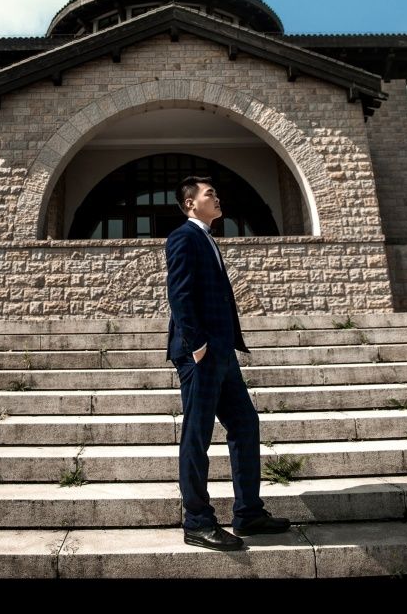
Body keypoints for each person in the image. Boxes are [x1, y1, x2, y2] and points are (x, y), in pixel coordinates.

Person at [165, 175, 291, 551]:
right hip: (201, 354)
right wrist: (197, 345)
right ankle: (197, 522)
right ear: (190, 203)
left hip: (222, 352)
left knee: (245, 425)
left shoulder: (207, 237)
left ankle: (248, 513)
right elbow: (180, 294)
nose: (217, 198)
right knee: (197, 434)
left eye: (216, 193)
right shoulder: (183, 237)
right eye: (210, 194)